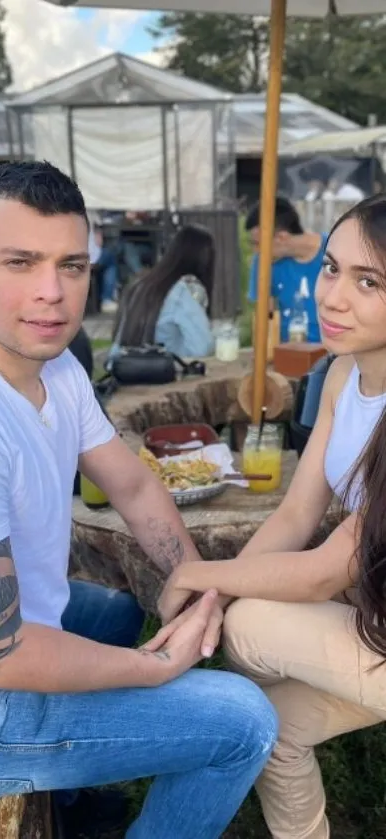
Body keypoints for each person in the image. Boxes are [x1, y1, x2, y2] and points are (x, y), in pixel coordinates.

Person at [0, 160, 278, 839]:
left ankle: (76, 800)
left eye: (72, 265)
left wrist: (196, 579)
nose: (52, 292)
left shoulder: (56, 369)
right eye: (20, 262)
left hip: (18, 640)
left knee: (113, 607)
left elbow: (136, 483)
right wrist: (154, 666)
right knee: (244, 720)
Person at [158, 192, 386, 839]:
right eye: (330, 268)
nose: (332, 295)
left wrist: (208, 581)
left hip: (369, 622)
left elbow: (318, 574)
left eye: (367, 281)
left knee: (251, 622)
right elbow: (293, 513)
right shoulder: (343, 374)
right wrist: (212, 589)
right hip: (370, 617)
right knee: (268, 724)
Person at [109, 224, 215, 358]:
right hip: (160, 373)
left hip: (122, 368)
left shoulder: (138, 284)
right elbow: (203, 348)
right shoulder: (182, 292)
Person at [246, 195, 325, 343]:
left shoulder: (336, 252)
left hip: (335, 355)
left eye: (257, 243)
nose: (255, 251)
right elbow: (265, 319)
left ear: (281, 238)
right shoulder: (263, 263)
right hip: (286, 352)